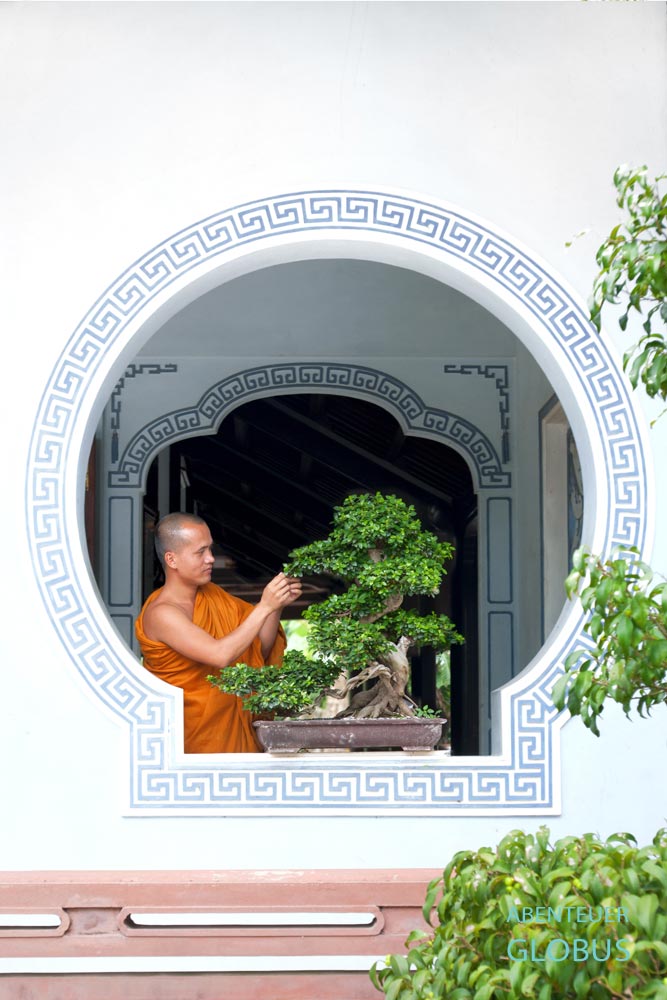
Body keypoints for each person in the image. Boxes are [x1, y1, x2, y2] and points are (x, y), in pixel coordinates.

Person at [135, 512, 302, 753]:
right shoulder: (161, 614)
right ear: (172, 559)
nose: (211, 559)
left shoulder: (214, 597)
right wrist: (264, 606)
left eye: (210, 550)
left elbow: (257, 649)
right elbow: (220, 655)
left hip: (236, 732)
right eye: (200, 552)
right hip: (193, 739)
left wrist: (276, 606)